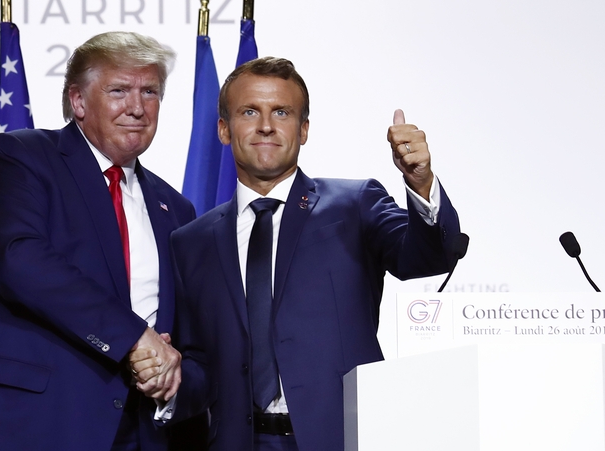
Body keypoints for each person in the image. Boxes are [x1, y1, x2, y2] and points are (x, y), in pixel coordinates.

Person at [132, 56, 462, 450]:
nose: (266, 125)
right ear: (223, 129)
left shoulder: (354, 204)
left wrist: (420, 182)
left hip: (339, 439)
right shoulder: (190, 241)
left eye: (282, 112)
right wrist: (166, 384)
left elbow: (425, 259)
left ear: (303, 130)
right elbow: (200, 362)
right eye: (249, 111)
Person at [0, 31, 201, 451]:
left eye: (149, 91)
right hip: (29, 425)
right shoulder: (20, 158)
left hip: (140, 433)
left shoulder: (176, 208)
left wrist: (169, 379)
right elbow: (19, 260)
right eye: (119, 90)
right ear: (78, 101)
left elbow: (187, 337)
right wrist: (134, 338)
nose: (137, 107)